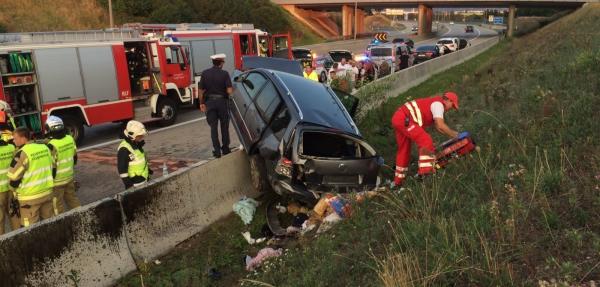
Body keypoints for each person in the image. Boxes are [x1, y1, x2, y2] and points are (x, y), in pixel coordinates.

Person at [391, 92, 460, 186]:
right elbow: (441, 125)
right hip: (405, 119)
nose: (451, 108)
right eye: (452, 105)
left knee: (404, 150)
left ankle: (397, 182)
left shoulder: (436, 103)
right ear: (448, 100)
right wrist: (455, 136)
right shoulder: (439, 105)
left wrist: (451, 135)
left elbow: (439, 127)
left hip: (399, 117)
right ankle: (425, 174)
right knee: (426, 141)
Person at [7, 127, 56, 227]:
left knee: (29, 229)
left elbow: (14, 178)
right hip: (47, 193)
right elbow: (54, 167)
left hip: (29, 198)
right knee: (50, 224)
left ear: (23, 138)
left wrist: (13, 192)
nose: (13, 140)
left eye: (15, 138)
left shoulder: (21, 153)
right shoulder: (44, 148)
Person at [199, 53, 233, 158]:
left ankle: (217, 151)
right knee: (224, 126)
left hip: (209, 103)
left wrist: (201, 103)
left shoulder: (205, 73)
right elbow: (229, 91)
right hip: (222, 103)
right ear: (221, 63)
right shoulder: (225, 74)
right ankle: (226, 149)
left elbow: (201, 90)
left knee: (213, 128)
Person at [45, 116, 80, 213]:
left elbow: (53, 167)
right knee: (73, 200)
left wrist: (50, 181)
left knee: (57, 206)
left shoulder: (51, 145)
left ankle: (60, 225)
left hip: (57, 182)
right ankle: (82, 218)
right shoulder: (70, 138)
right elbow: (75, 157)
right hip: (69, 176)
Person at [118, 120, 150, 189]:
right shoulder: (124, 149)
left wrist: (148, 171)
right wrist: (129, 185)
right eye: (140, 136)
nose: (142, 137)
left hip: (143, 179)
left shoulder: (135, 143)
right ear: (132, 136)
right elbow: (122, 170)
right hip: (135, 184)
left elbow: (140, 159)